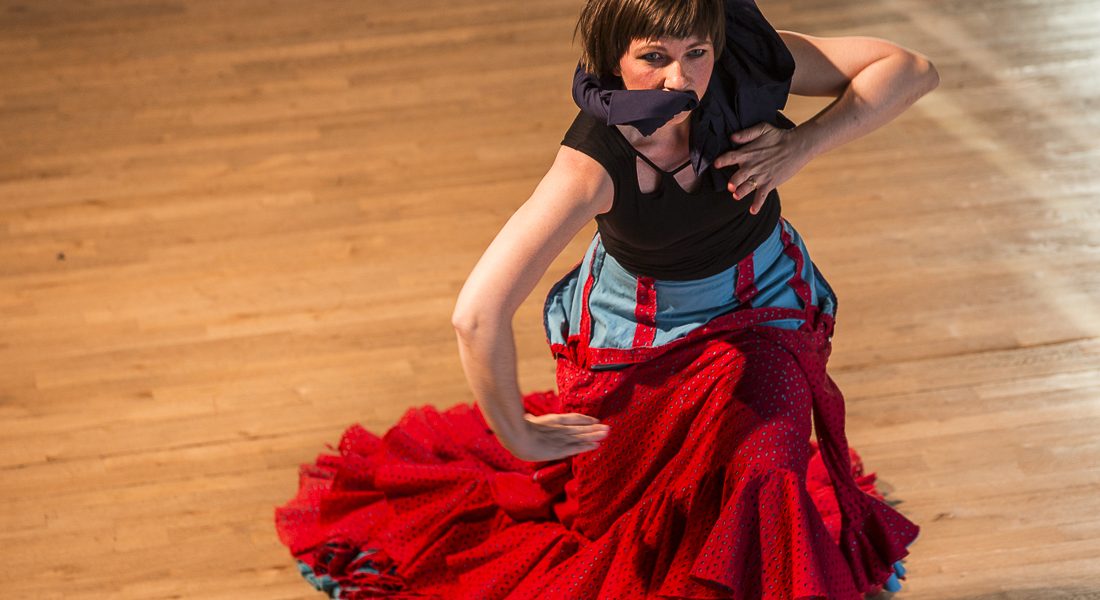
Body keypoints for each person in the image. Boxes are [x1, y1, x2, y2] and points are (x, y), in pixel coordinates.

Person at [273, 0, 940, 598]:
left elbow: (910, 68)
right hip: (645, 335)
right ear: (613, 60)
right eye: (653, 58)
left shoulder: (744, 60)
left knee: (767, 464)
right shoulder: (592, 163)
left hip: (760, 310)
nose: (678, 78)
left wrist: (801, 144)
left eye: (695, 54)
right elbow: (476, 314)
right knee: (625, 517)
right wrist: (516, 431)